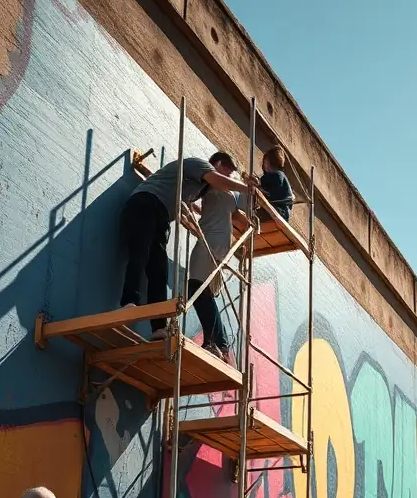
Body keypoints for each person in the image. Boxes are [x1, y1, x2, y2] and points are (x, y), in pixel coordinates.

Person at [120, 151, 257, 336]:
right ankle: (129, 302)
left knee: (159, 270)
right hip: (144, 204)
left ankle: (159, 327)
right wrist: (248, 188)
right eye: (228, 171)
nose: (229, 176)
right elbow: (220, 182)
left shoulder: (200, 188)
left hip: (162, 215)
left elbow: (189, 204)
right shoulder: (198, 164)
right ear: (216, 164)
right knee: (141, 253)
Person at [186, 183, 250, 365]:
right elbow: (238, 216)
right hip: (219, 245)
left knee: (197, 288)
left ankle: (218, 343)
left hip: (211, 244)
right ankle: (214, 342)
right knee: (202, 292)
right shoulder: (228, 195)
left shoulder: (218, 187)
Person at [259, 146, 294, 222]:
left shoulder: (277, 175)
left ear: (268, 162)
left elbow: (272, 191)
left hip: (279, 211)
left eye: (264, 162)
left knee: (253, 215)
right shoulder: (277, 175)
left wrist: (258, 184)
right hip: (279, 211)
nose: (263, 164)